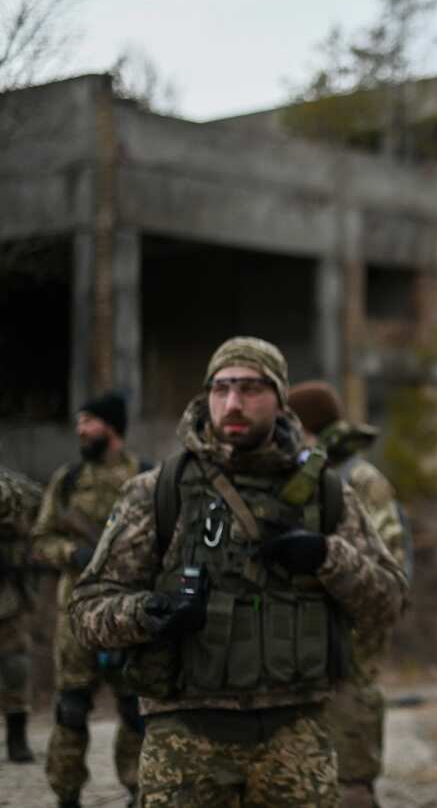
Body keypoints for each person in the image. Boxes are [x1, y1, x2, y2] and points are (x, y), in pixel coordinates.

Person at [68, 337, 407, 808]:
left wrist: (327, 556)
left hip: (295, 737)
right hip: (183, 739)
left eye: (250, 389)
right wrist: (149, 611)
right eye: (222, 388)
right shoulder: (158, 492)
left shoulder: (326, 494)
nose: (233, 403)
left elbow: (390, 600)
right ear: (206, 395)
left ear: (280, 399)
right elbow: (85, 611)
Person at [288, 379, 409, 808]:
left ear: (309, 429)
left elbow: (390, 574)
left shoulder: (359, 479)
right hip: (308, 656)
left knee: (350, 785)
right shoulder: (303, 475)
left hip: (352, 654)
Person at [30, 392, 146, 807]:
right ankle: (66, 793)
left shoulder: (145, 478)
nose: (80, 429)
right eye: (79, 421)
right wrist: (72, 554)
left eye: (89, 421)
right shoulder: (68, 480)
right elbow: (41, 540)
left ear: (112, 427)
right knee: (72, 709)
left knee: (136, 708)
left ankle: (138, 787)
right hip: (76, 614)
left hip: (130, 613)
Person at [0, 464, 42, 764]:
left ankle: (17, 734)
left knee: (15, 663)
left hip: (7, 592)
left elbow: (37, 504)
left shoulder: (13, 485)